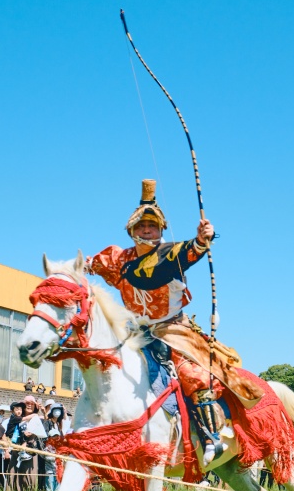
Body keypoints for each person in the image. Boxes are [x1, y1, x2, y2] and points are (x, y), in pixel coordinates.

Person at [87, 178, 223, 464]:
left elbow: (192, 250)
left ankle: (212, 437)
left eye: (152, 226)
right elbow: (88, 263)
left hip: (173, 328)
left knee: (193, 374)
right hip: (134, 329)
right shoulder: (118, 259)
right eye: (140, 226)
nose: (146, 230)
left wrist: (202, 238)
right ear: (131, 230)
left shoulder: (170, 253)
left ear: (161, 229)